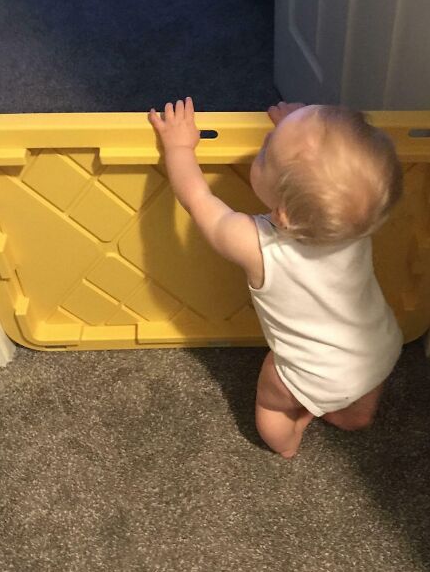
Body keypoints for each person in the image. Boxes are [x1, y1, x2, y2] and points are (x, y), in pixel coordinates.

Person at [148, 98, 404, 458]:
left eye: (267, 151)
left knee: (272, 398)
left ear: (283, 214)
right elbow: (333, 176)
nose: (263, 145)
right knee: (358, 386)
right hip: (380, 348)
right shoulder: (355, 222)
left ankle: (288, 440)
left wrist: (178, 146)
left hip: (310, 371)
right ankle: (353, 416)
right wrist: (296, 130)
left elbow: (196, 197)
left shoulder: (255, 243)